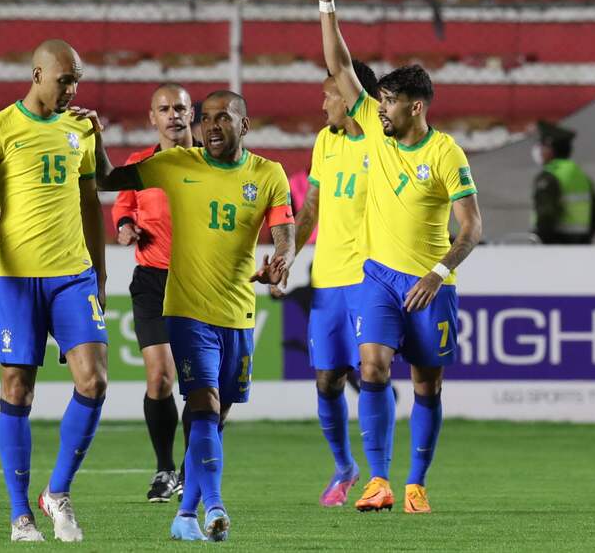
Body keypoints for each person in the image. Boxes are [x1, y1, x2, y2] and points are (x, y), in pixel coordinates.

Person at [87, 90, 295, 541]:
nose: (212, 125)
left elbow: (284, 233)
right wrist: (97, 139)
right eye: (206, 119)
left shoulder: (268, 174)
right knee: (202, 405)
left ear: (244, 125)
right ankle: (213, 506)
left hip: (238, 311)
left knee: (220, 415)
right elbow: (106, 180)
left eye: (224, 118)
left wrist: (282, 258)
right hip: (184, 309)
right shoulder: (174, 166)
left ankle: (184, 515)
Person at [317, 0, 483, 514]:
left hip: (431, 285)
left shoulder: (446, 154)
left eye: (389, 102)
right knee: (371, 369)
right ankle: (379, 480)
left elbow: (472, 227)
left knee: (426, 385)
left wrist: (438, 271)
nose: (378, 108)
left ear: (415, 107)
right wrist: (327, 6)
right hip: (379, 278)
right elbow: (342, 68)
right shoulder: (370, 125)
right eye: (379, 101)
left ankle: (416, 484)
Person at [0, 39, 108, 543]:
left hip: (73, 275)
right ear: (37, 74)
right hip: (16, 278)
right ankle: (20, 514)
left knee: (94, 381)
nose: (73, 88)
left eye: (78, 80)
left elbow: (92, 203)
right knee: (17, 388)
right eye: (66, 79)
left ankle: (58, 493)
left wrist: (102, 273)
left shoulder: (81, 128)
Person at [284, 61, 379, 507]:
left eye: (330, 95)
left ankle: (381, 477)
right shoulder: (326, 141)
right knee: (327, 379)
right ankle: (344, 467)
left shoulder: (383, 143)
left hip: (374, 278)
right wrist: (288, 255)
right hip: (328, 279)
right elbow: (312, 208)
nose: (324, 103)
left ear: (351, 97)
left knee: (375, 372)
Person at [111, 83, 195, 502]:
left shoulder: (210, 164)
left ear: (192, 113)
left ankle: (190, 470)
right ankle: (165, 470)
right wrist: (125, 228)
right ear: (152, 118)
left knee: (200, 387)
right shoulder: (139, 163)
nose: (173, 115)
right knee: (160, 378)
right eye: (164, 109)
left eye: (179, 107)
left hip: (201, 282)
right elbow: (122, 207)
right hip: (152, 280)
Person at [531, 120, 595, 244]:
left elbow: (546, 216)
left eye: (542, 146)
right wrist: (584, 240)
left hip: (556, 248)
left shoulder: (549, 176)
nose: (540, 151)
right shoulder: (580, 175)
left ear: (551, 149)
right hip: (578, 246)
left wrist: (542, 246)